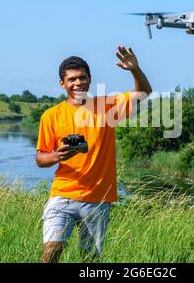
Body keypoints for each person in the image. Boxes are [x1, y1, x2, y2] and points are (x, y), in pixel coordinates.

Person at [36, 45, 152, 263]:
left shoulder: (107, 107)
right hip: (62, 195)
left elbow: (144, 93)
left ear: (89, 79)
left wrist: (135, 70)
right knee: (52, 250)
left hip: (98, 199)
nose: (78, 83)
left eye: (82, 77)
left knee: (90, 260)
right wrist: (57, 156)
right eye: (71, 79)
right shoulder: (51, 116)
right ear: (62, 83)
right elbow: (41, 158)